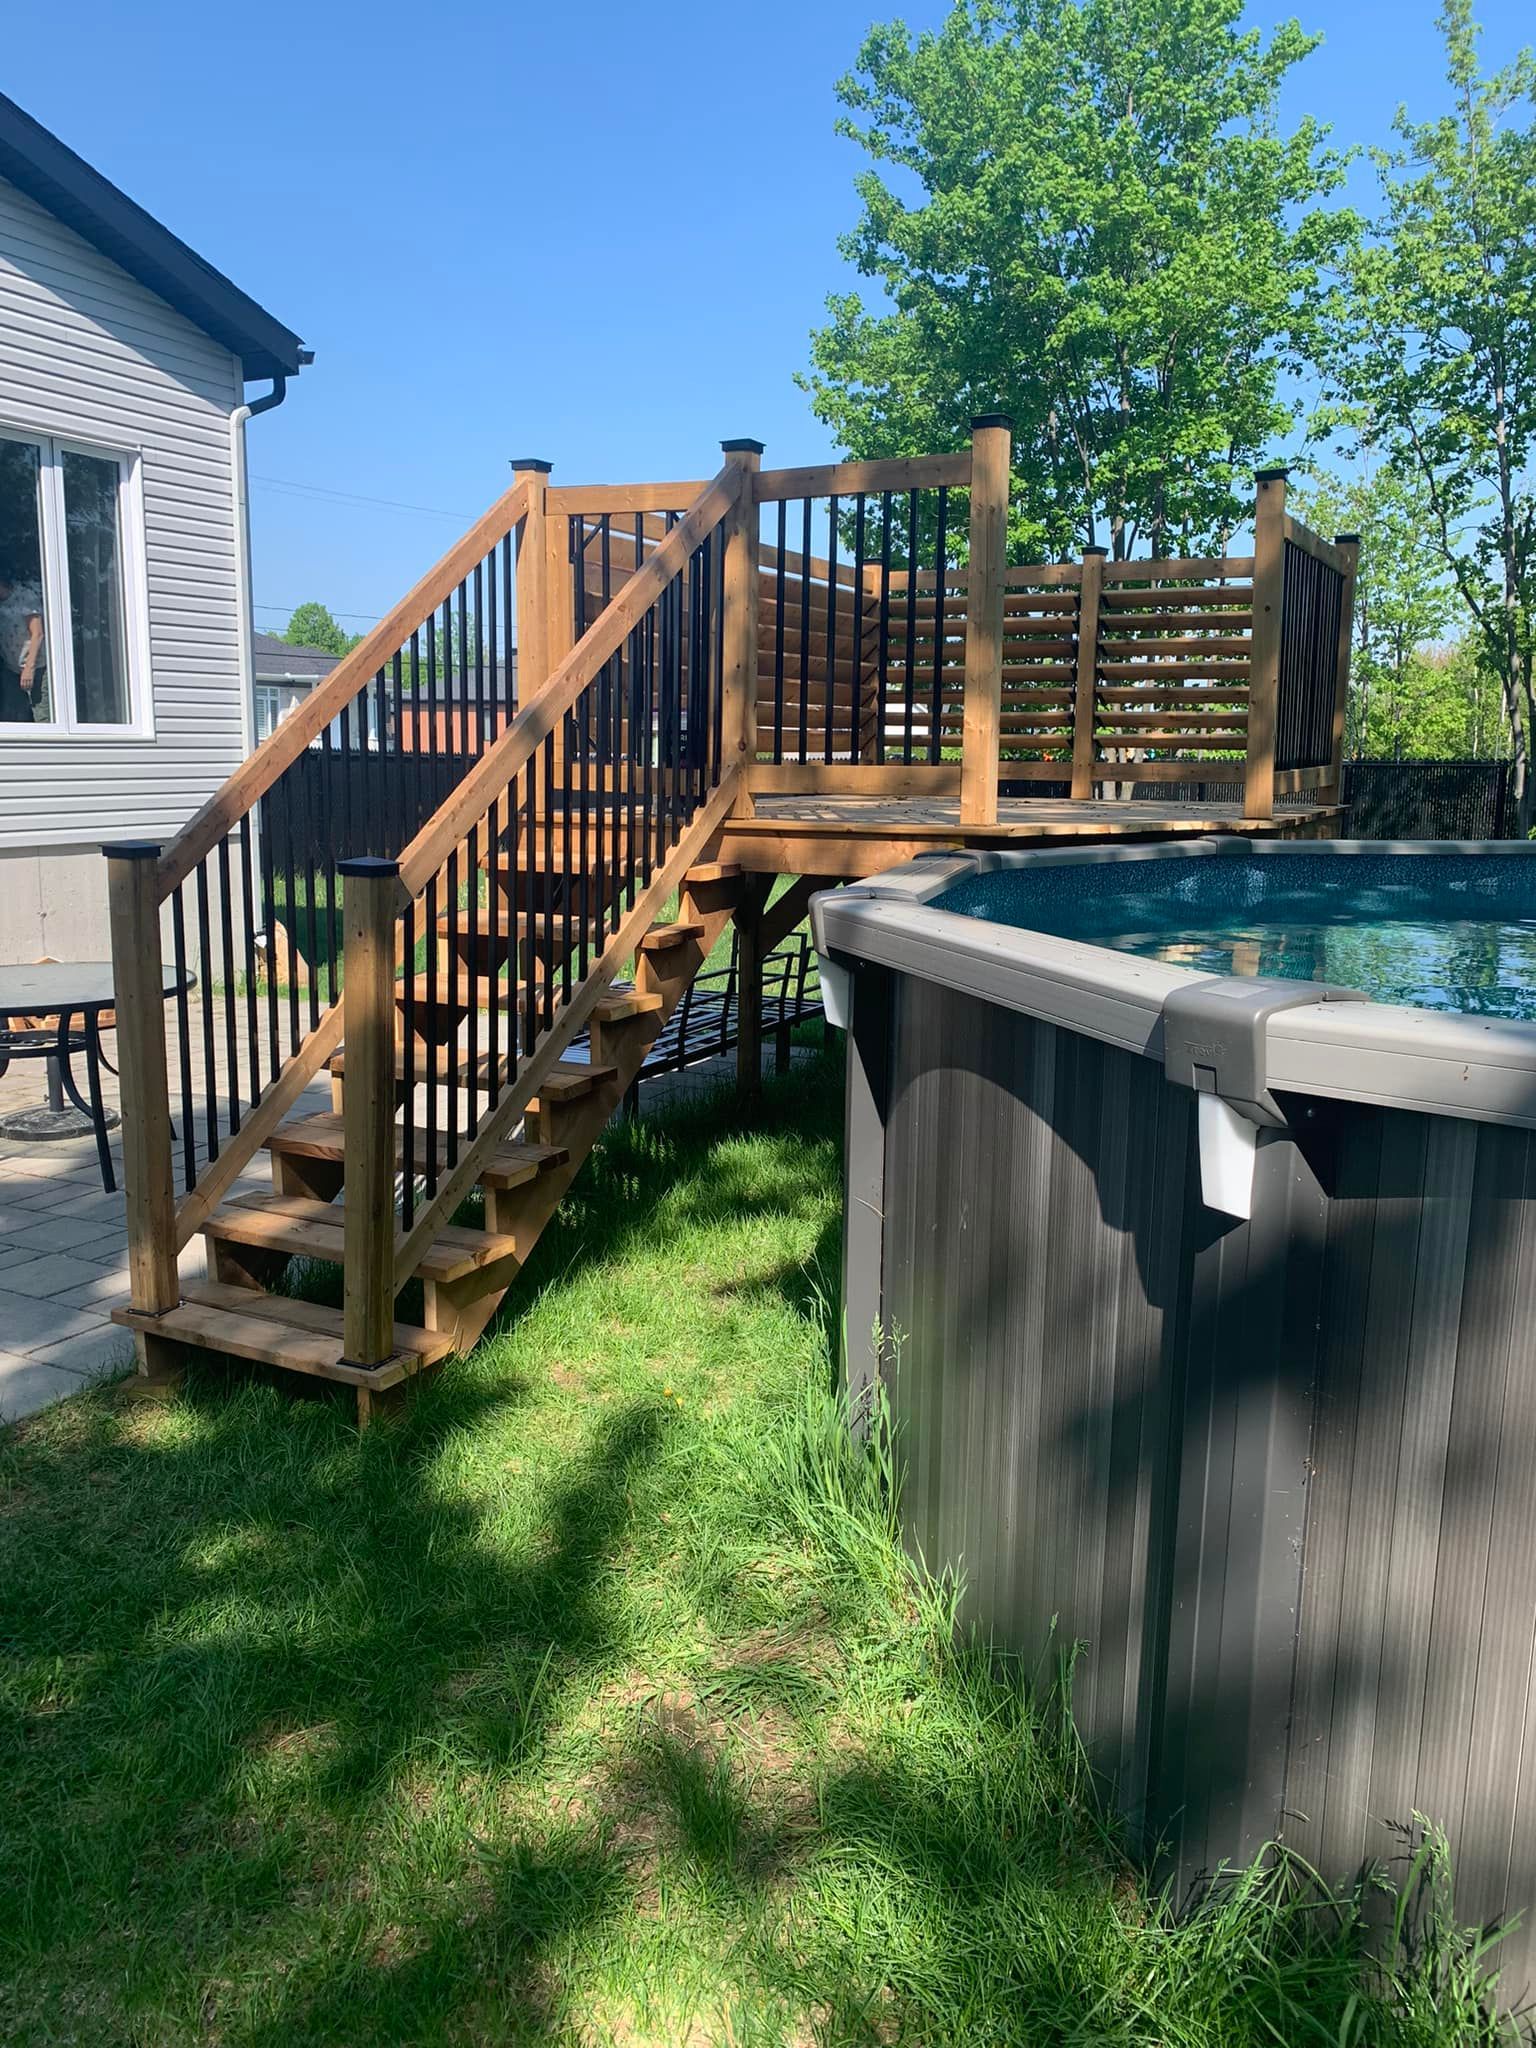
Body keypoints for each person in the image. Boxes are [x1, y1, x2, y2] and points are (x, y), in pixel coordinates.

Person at [0, 559, 45, 723]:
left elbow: (38, 633)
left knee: (42, 714)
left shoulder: (23, 598)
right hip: (11, 668)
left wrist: (29, 668)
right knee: (12, 715)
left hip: (37, 666)